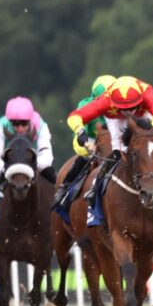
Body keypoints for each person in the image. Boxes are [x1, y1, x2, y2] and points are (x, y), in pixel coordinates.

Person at [66, 75, 153, 205]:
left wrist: (151, 132)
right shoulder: (105, 100)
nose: (127, 112)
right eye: (123, 109)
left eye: (131, 108)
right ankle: (95, 189)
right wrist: (80, 131)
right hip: (115, 117)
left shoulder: (147, 91)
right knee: (118, 152)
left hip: (143, 113)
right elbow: (74, 117)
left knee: (150, 148)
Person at [51, 75, 116, 207]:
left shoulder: (121, 105)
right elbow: (80, 134)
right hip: (90, 138)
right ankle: (65, 187)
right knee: (85, 158)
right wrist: (88, 146)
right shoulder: (86, 106)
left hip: (114, 138)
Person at [0, 96, 55, 184]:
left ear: (30, 121)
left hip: (34, 163)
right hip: (7, 165)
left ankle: (59, 192)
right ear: (10, 121)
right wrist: (8, 167)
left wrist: (30, 166)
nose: (20, 128)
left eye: (24, 123)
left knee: (51, 175)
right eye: (16, 124)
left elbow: (47, 156)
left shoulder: (41, 126)